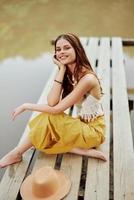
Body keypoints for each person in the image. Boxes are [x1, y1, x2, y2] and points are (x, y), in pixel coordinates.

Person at [0, 33, 106, 168]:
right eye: (58, 49)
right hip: (82, 125)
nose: (62, 52)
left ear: (77, 49)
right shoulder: (69, 73)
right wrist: (61, 69)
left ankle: (17, 153)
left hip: (94, 133)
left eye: (67, 48)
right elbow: (52, 102)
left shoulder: (87, 79)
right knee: (47, 119)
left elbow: (55, 109)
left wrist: (26, 105)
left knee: (49, 117)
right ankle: (75, 149)